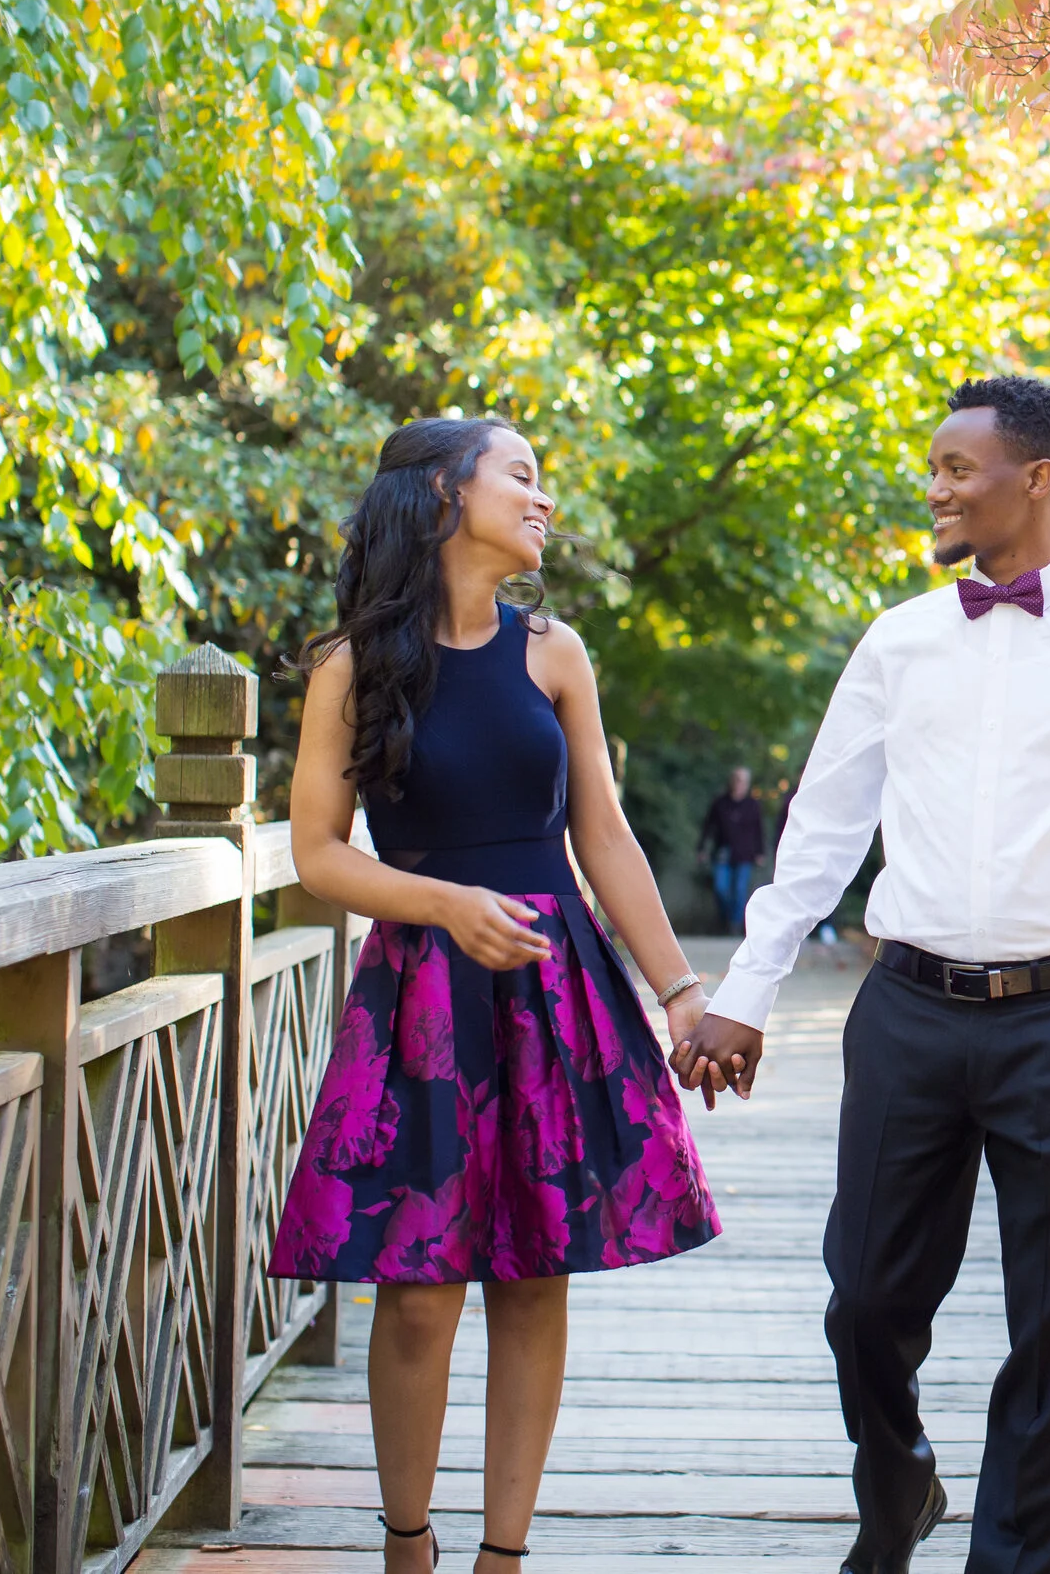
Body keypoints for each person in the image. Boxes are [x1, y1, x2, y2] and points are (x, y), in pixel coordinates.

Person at [676, 376, 1050, 1574]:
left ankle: (1014, 1562)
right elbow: (825, 833)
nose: (935, 486)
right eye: (935, 466)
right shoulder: (896, 641)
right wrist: (746, 988)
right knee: (864, 1304)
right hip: (904, 1015)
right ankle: (899, 1486)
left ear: (1035, 479)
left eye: (958, 466)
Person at [268, 415, 729, 1574]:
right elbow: (318, 852)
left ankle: (504, 1555)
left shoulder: (556, 653)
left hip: (553, 983)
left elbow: (606, 836)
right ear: (440, 493)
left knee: (534, 1271)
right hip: (422, 989)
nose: (542, 500)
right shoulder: (351, 667)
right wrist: (439, 903)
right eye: (519, 475)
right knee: (417, 1290)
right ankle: (407, 1544)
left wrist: (678, 990)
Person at [701, 766, 766, 932]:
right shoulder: (720, 803)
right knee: (720, 888)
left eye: (743, 781)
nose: (739, 784)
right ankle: (725, 917)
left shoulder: (753, 805)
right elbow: (708, 826)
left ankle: (734, 924)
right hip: (723, 852)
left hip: (744, 855)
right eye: (737, 779)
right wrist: (702, 848)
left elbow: (759, 830)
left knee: (739, 890)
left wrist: (760, 852)